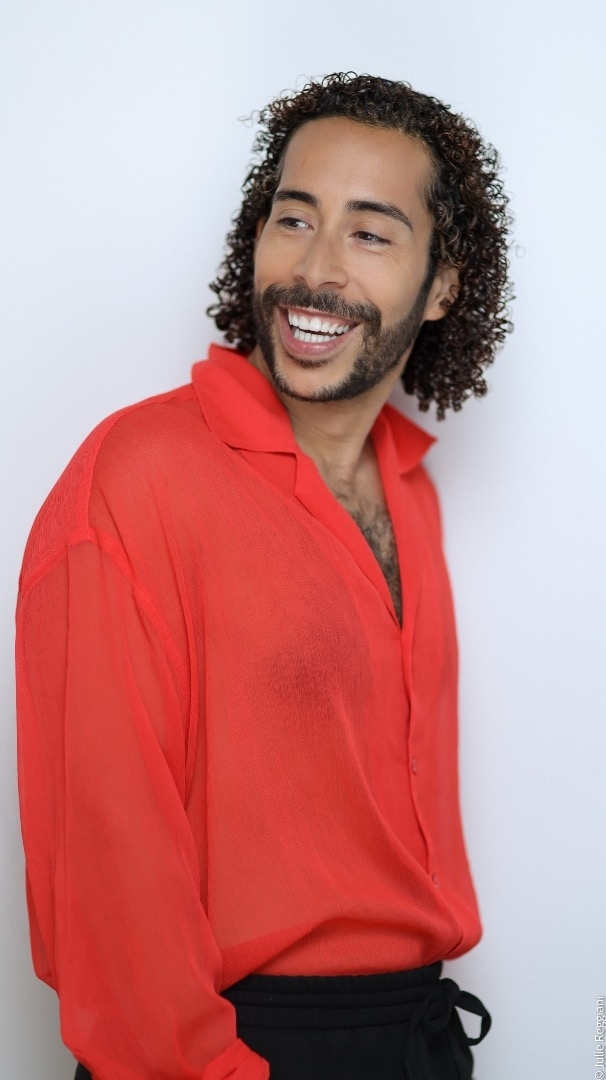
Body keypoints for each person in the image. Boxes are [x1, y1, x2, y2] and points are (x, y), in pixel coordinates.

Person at [16, 72, 512, 1080]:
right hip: (237, 1049)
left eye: (369, 233)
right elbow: (107, 873)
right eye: (294, 218)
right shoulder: (139, 476)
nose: (315, 268)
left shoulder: (410, 491)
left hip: (416, 1034)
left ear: (442, 285)